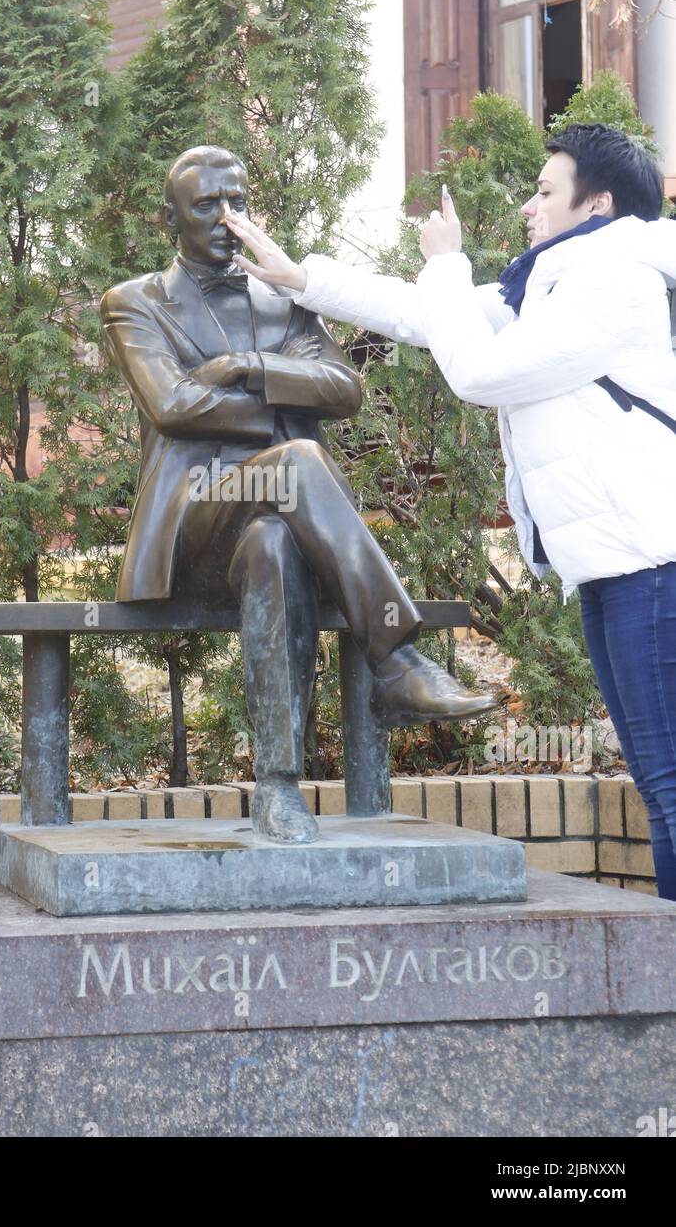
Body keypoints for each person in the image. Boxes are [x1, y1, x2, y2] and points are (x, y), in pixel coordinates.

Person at [224, 124, 676, 897]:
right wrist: (301, 278)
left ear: (596, 204)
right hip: (612, 566)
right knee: (658, 786)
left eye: (544, 190)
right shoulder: (552, 287)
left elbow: (479, 369)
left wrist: (446, 263)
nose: (528, 206)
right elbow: (425, 315)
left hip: (653, 566)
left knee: (668, 787)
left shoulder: (614, 284)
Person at [100, 145, 494, 844]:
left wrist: (248, 365)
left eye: (238, 203)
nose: (228, 219)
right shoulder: (134, 303)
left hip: (283, 527)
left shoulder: (279, 299)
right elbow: (171, 405)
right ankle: (396, 658)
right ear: (171, 218)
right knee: (301, 459)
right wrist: (285, 406)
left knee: (275, 543)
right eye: (206, 206)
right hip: (196, 519)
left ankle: (278, 789)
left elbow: (346, 389)